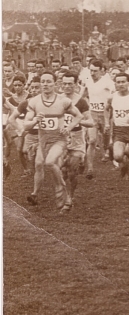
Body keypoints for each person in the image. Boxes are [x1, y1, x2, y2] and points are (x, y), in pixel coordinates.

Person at [21, 71, 82, 209]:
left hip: (59, 139)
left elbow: (78, 116)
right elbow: (26, 125)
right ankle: (37, 193)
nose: (45, 84)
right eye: (43, 81)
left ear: (55, 84)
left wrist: (69, 127)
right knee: (39, 164)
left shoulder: (63, 101)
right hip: (43, 141)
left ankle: (61, 189)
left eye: (48, 81)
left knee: (49, 162)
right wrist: (35, 120)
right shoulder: (34, 101)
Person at [59, 71, 93, 211]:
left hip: (76, 139)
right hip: (60, 140)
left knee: (71, 172)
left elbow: (90, 122)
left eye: (70, 84)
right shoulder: (56, 99)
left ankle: (70, 198)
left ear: (76, 85)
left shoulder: (81, 101)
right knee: (61, 171)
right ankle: (65, 195)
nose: (67, 86)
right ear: (61, 84)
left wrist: (77, 122)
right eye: (65, 83)